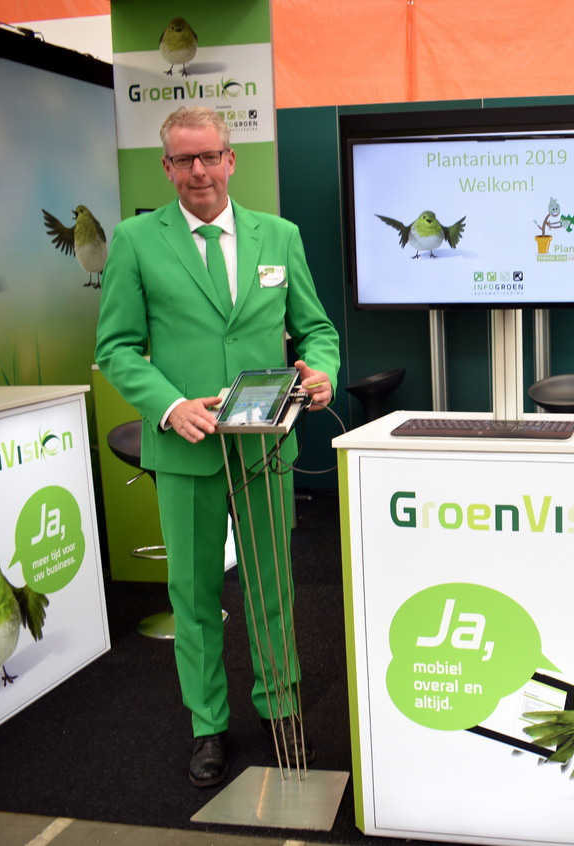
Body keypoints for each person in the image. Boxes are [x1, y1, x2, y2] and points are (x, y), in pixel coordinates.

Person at [95, 106, 340, 788]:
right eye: (184, 159)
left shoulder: (279, 236)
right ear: (167, 166)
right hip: (186, 448)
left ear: (232, 160)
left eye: (209, 156)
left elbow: (315, 330)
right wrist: (169, 406)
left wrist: (321, 372)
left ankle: (280, 707)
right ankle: (207, 724)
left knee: (272, 587)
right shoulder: (136, 241)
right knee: (196, 596)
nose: (198, 170)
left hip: (264, 448)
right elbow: (116, 348)